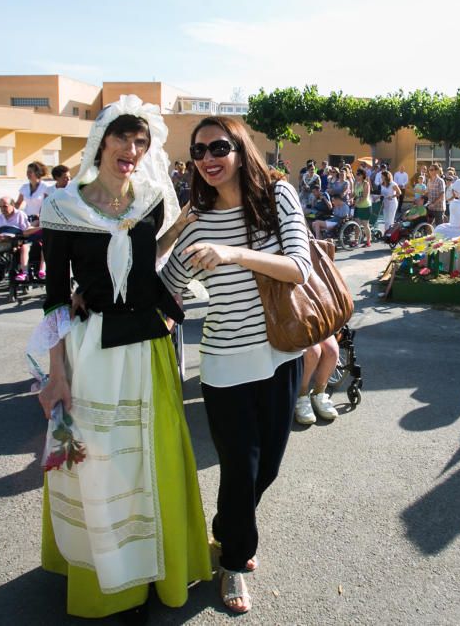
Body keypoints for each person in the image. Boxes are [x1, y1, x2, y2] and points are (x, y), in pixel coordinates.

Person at [32, 95, 209, 619]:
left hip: (147, 347)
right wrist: (56, 373)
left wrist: (183, 230)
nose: (131, 150)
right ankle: (109, 575)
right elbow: (55, 296)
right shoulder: (63, 206)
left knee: (151, 460)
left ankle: (157, 565)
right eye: (123, 139)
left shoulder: (152, 197)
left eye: (141, 142)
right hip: (91, 352)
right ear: (101, 141)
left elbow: (145, 258)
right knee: (100, 465)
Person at [160, 115, 312, 614]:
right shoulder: (195, 223)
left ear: (241, 149)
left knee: (266, 466)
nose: (207, 159)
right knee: (239, 469)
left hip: (281, 354)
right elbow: (165, 288)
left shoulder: (277, 198)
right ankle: (233, 562)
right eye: (197, 151)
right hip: (224, 363)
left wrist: (233, 254)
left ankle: (227, 529)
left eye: (218, 147)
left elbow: (299, 268)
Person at [294, 335, 340, 424]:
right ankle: (301, 395)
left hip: (317, 323)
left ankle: (318, 393)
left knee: (332, 351)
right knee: (313, 352)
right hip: (295, 325)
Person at [352, 167, 373, 247]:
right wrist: (348, 198)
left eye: (358, 174)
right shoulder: (356, 183)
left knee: (365, 224)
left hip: (365, 207)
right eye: (356, 174)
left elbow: (365, 196)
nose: (356, 176)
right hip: (358, 206)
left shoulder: (366, 184)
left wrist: (356, 203)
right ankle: (356, 240)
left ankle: (368, 241)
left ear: (362, 175)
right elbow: (354, 194)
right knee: (356, 224)